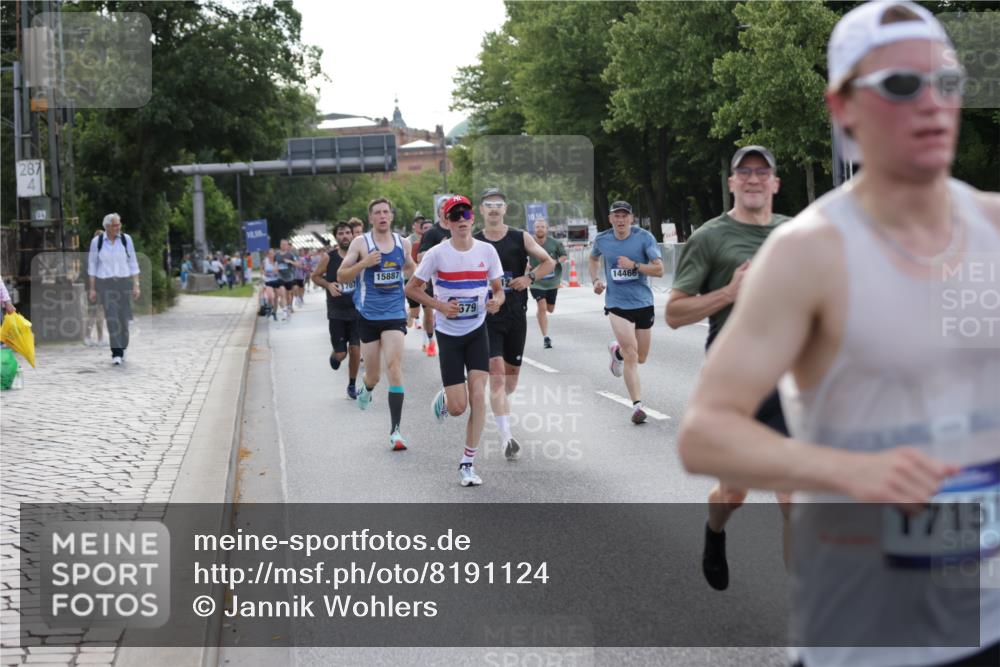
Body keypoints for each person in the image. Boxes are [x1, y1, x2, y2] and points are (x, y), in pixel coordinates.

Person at [678, 3, 999, 665]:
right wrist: (852, 471)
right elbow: (703, 432)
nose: (933, 104)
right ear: (843, 107)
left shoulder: (995, 226)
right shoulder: (808, 253)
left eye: (947, 82)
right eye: (902, 86)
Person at [666, 145, 792, 591]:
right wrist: (730, 293)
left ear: (775, 183)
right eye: (745, 172)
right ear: (733, 183)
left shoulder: (798, 235)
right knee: (733, 495)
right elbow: (675, 314)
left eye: (763, 172)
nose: (754, 178)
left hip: (788, 376)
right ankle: (714, 531)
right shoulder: (710, 238)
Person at [405, 195, 505, 486]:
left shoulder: (487, 251)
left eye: (466, 214)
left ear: (472, 219)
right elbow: (412, 289)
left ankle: (467, 464)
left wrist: (496, 301)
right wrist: (439, 306)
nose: (462, 219)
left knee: (478, 398)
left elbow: (498, 289)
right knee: (459, 407)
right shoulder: (436, 254)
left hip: (476, 331)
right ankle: (448, 399)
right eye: (455, 215)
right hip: (449, 335)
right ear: (447, 222)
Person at [474, 187, 555, 461]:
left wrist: (529, 278)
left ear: (505, 209)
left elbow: (548, 262)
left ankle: (500, 405)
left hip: (515, 316)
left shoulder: (520, 237)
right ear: (481, 210)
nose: (494, 208)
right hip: (487, 318)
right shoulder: (474, 242)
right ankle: (507, 436)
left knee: (509, 381)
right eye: (489, 204)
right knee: (496, 375)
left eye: (498, 204)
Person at [337, 198, 416, 451]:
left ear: (391, 216)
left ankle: (396, 431)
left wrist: (416, 303)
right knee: (374, 375)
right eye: (377, 213)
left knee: (394, 366)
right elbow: (341, 275)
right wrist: (363, 263)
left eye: (386, 212)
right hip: (368, 316)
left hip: (394, 314)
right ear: (370, 218)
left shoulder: (403, 243)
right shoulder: (361, 243)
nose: (382, 216)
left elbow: (413, 270)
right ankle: (367, 388)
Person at [588, 201, 664, 424]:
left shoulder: (644, 238)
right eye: (616, 216)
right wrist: (595, 280)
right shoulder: (603, 239)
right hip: (616, 303)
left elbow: (660, 270)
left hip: (642, 301)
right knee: (632, 353)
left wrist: (634, 265)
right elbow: (593, 258)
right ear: (610, 219)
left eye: (625, 216)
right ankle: (637, 405)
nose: (620, 220)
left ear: (632, 219)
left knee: (641, 356)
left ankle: (616, 352)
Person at [311, 221, 361, 399]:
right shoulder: (329, 257)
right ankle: (335, 356)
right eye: (341, 233)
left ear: (353, 235)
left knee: (356, 349)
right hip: (337, 312)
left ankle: (352, 385)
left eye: (348, 232)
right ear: (336, 237)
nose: (345, 236)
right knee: (341, 354)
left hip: (357, 311)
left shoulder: (359, 256)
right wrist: (328, 284)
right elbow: (315, 276)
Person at [87, 213, 140, 365]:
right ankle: (116, 352)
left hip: (124, 283)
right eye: (115, 225)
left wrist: (136, 285)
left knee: (124, 318)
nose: (118, 227)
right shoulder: (97, 242)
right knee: (111, 318)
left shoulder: (126, 239)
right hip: (106, 284)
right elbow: (92, 266)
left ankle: (123, 346)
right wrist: (92, 289)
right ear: (107, 227)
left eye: (119, 224)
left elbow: (133, 262)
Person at [416, 201, 453, 357]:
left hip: (460, 283)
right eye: (444, 208)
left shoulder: (460, 229)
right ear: (439, 213)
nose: (447, 211)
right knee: (431, 316)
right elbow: (419, 257)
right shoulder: (432, 233)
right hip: (436, 283)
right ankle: (430, 339)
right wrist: (440, 248)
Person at [527, 218, 568, 349]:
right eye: (537, 227)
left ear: (547, 229)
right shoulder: (529, 242)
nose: (540, 229)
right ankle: (546, 337)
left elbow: (564, 256)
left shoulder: (555, 243)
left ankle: (541, 312)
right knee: (542, 306)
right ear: (534, 229)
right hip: (535, 281)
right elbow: (520, 255)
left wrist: (555, 262)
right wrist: (526, 264)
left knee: (550, 309)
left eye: (542, 227)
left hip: (552, 281)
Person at [406, 214, 427, 330]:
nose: (420, 225)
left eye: (422, 223)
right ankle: (411, 315)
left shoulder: (428, 238)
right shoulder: (408, 241)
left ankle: (428, 340)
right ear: (414, 226)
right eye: (418, 223)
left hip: (426, 279)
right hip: (411, 278)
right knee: (415, 310)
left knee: (427, 309)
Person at [274, 239, 300, 317]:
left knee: (289, 295)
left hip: (289, 277)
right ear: (280, 245)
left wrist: (290, 261)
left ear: (287, 245)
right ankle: (285, 310)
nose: (284, 246)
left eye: (285, 244)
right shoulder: (277, 255)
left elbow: (298, 264)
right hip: (280, 277)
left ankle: (289, 306)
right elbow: (275, 264)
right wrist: (275, 269)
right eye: (282, 244)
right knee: (282, 293)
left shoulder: (291, 255)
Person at [261, 248, 281, 321]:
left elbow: (279, 271)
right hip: (268, 280)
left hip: (276, 280)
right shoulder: (265, 261)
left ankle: (274, 312)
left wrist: (277, 272)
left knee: (276, 298)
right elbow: (262, 269)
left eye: (272, 253)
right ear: (267, 254)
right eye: (270, 254)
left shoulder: (277, 261)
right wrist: (264, 273)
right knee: (270, 296)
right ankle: (270, 307)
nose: (271, 255)